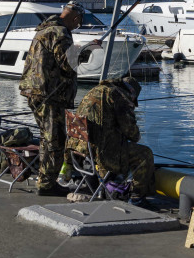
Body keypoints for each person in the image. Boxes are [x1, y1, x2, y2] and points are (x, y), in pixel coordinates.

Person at [19, 1, 98, 196]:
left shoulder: (43, 30)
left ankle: (45, 178)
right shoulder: (61, 32)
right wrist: (88, 49)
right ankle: (47, 184)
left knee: (47, 137)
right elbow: (68, 64)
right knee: (54, 139)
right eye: (78, 22)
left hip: (35, 91)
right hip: (50, 95)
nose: (78, 26)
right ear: (75, 18)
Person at [66, 77, 154, 206]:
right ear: (132, 93)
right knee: (145, 154)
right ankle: (137, 198)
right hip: (100, 152)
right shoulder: (119, 96)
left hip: (80, 149)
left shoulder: (96, 89)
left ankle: (109, 188)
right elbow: (132, 133)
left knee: (115, 143)